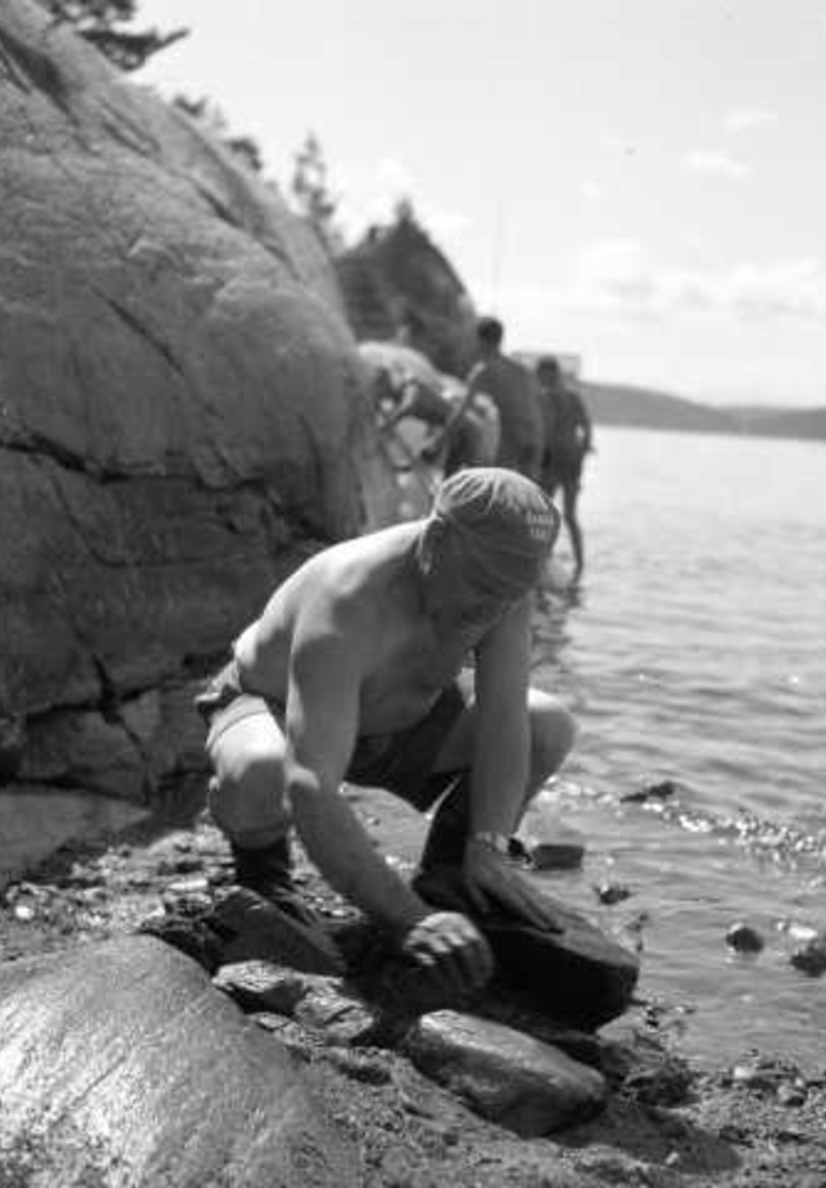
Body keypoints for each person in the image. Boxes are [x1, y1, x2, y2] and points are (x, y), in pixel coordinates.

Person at [195, 468, 574, 996]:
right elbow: (310, 783)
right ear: (435, 540)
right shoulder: (348, 598)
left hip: (401, 722)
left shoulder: (503, 590)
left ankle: (451, 879)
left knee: (548, 725)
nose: (493, 606)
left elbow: (504, 719)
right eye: (483, 586)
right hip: (276, 710)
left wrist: (491, 843)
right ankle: (264, 874)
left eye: (509, 593)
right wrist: (407, 921)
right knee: (265, 772)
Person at [436, 317, 544, 480]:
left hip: (512, 436)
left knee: (499, 491)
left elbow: (462, 411)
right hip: (535, 437)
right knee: (527, 495)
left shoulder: (483, 370)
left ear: (479, 340)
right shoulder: (521, 369)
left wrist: (439, 440)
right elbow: (535, 404)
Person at [535, 356, 593, 581]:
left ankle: (542, 560)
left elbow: (546, 430)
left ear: (549, 373)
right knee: (570, 515)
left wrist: (537, 457)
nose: (537, 379)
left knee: (543, 512)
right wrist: (585, 447)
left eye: (540, 374)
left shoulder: (546, 396)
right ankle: (580, 565)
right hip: (574, 459)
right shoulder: (573, 396)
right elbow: (586, 425)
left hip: (555, 458)